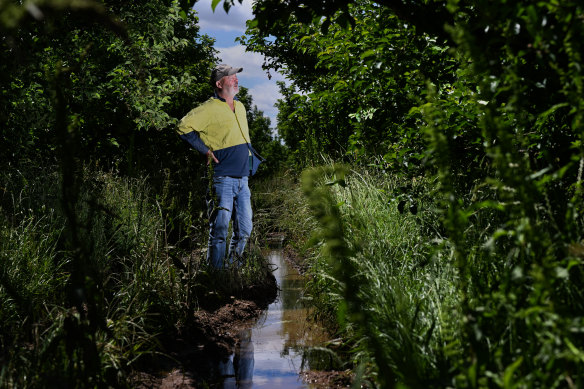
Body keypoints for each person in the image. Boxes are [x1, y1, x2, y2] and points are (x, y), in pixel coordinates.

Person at [177, 64, 263, 269]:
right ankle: (215, 275)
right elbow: (182, 126)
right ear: (219, 83)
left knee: (244, 229)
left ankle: (231, 269)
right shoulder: (208, 108)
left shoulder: (240, 106)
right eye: (230, 77)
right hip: (221, 178)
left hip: (243, 179)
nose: (235, 79)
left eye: (235, 76)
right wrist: (205, 150)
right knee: (220, 229)